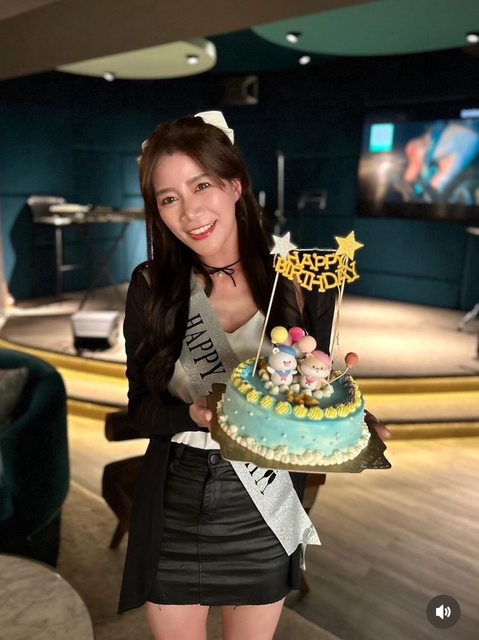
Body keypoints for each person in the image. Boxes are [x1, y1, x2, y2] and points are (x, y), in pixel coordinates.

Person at [119, 111, 389, 640]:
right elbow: (140, 409)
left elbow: (314, 386)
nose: (189, 211)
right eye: (169, 198)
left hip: (264, 507)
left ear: (235, 186)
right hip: (174, 499)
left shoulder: (300, 283)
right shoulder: (152, 286)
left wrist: (352, 420)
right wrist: (191, 413)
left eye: (202, 185)